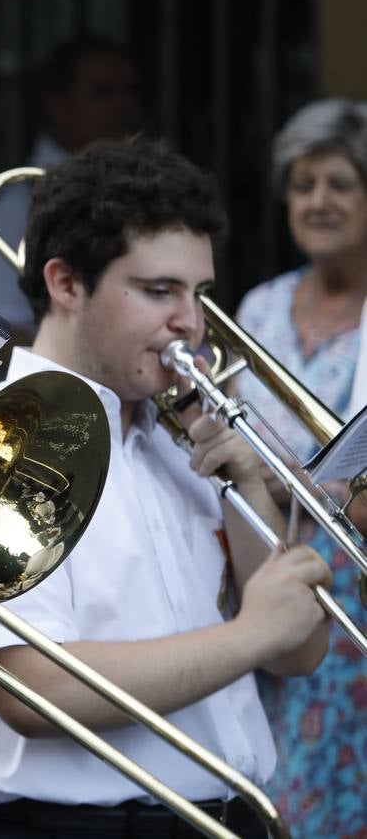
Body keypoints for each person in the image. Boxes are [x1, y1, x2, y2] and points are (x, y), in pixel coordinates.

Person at [0, 139, 331, 839]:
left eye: (200, 294)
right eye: (159, 291)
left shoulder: (180, 435)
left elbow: (298, 651)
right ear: (67, 284)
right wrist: (248, 636)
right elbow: (34, 690)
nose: (190, 322)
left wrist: (250, 485)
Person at [233, 97, 367, 837]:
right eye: (302, 184)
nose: (318, 201)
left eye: (340, 183)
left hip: (353, 584)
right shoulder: (261, 304)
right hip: (257, 570)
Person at [0, 35, 141, 338]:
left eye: (130, 92)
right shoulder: (13, 204)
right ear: (58, 105)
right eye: (102, 93)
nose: (122, 107)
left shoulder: (141, 191)